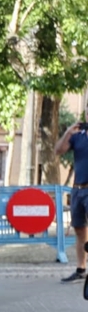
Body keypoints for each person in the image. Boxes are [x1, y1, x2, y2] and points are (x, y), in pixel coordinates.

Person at [57, 115, 88, 282]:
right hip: (77, 189)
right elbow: (58, 151)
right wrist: (68, 132)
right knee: (79, 229)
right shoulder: (77, 137)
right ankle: (81, 269)